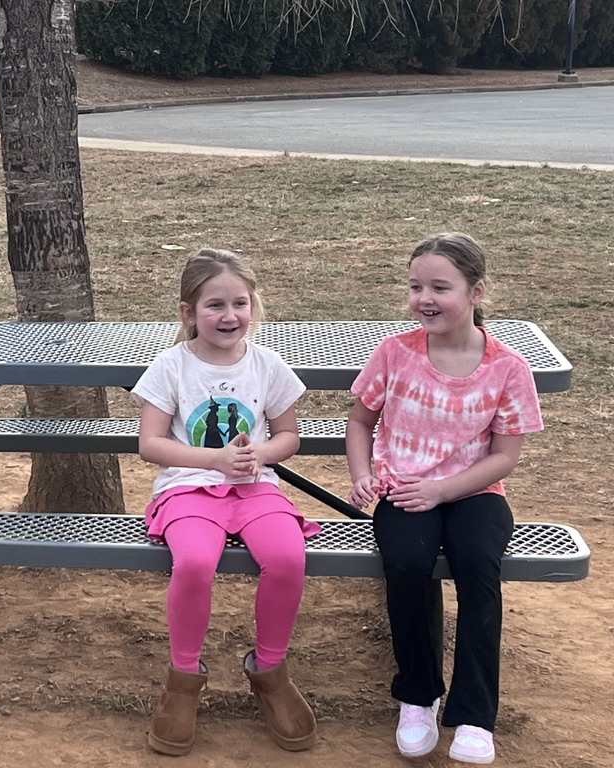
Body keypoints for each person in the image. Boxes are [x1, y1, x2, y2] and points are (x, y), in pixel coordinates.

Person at [345, 233, 543, 765]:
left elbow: (504, 456)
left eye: (439, 287)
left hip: (476, 491)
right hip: (404, 489)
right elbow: (361, 421)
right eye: (415, 287)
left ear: (476, 292)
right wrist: (363, 474)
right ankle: (417, 695)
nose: (424, 298)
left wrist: (444, 489)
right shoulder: (395, 352)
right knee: (407, 562)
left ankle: (476, 714)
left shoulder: (507, 366)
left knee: (479, 563)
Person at [131, 247, 321, 756]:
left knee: (286, 557)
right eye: (215, 305)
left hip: (256, 488)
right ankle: (183, 679)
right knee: (194, 562)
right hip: (188, 489)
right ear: (188, 312)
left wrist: (259, 453)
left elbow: (288, 436)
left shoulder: (267, 365)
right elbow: (150, 444)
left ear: (253, 306)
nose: (229, 315)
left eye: (240, 302)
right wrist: (213, 460)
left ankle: (270, 670)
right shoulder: (171, 366)